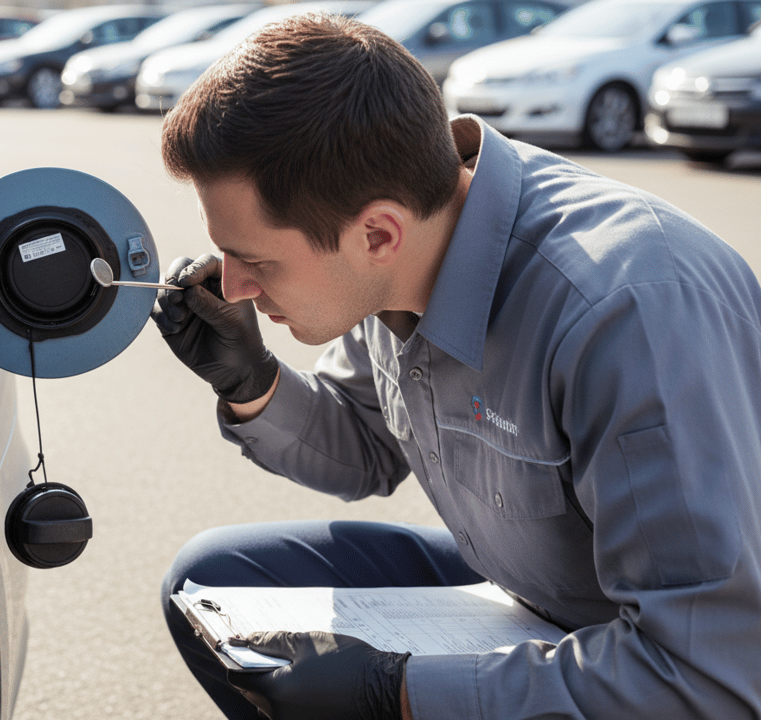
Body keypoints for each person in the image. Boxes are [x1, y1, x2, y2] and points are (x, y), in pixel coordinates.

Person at [149, 11, 761, 720]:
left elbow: (706, 674)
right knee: (222, 585)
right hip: (539, 595)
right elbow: (368, 449)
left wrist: (401, 695)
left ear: (378, 232)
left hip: (673, 659)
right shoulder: (408, 243)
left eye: (254, 261)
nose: (231, 287)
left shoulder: (627, 315)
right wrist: (252, 383)